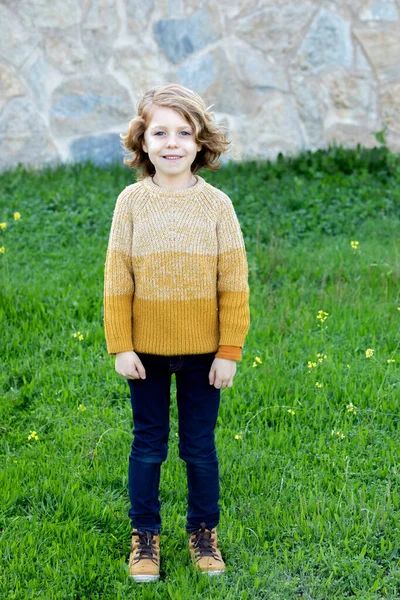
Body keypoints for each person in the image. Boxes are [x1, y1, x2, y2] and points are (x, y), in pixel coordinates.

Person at [103, 83, 250, 582]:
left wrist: (227, 351)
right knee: (148, 445)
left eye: (183, 133)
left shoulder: (217, 206)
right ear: (142, 142)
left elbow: (234, 285)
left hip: (204, 355)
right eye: (159, 132)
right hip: (145, 353)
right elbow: (116, 282)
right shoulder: (131, 203)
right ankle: (144, 536)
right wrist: (121, 345)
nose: (172, 142)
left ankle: (203, 533)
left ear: (200, 142)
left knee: (199, 447)